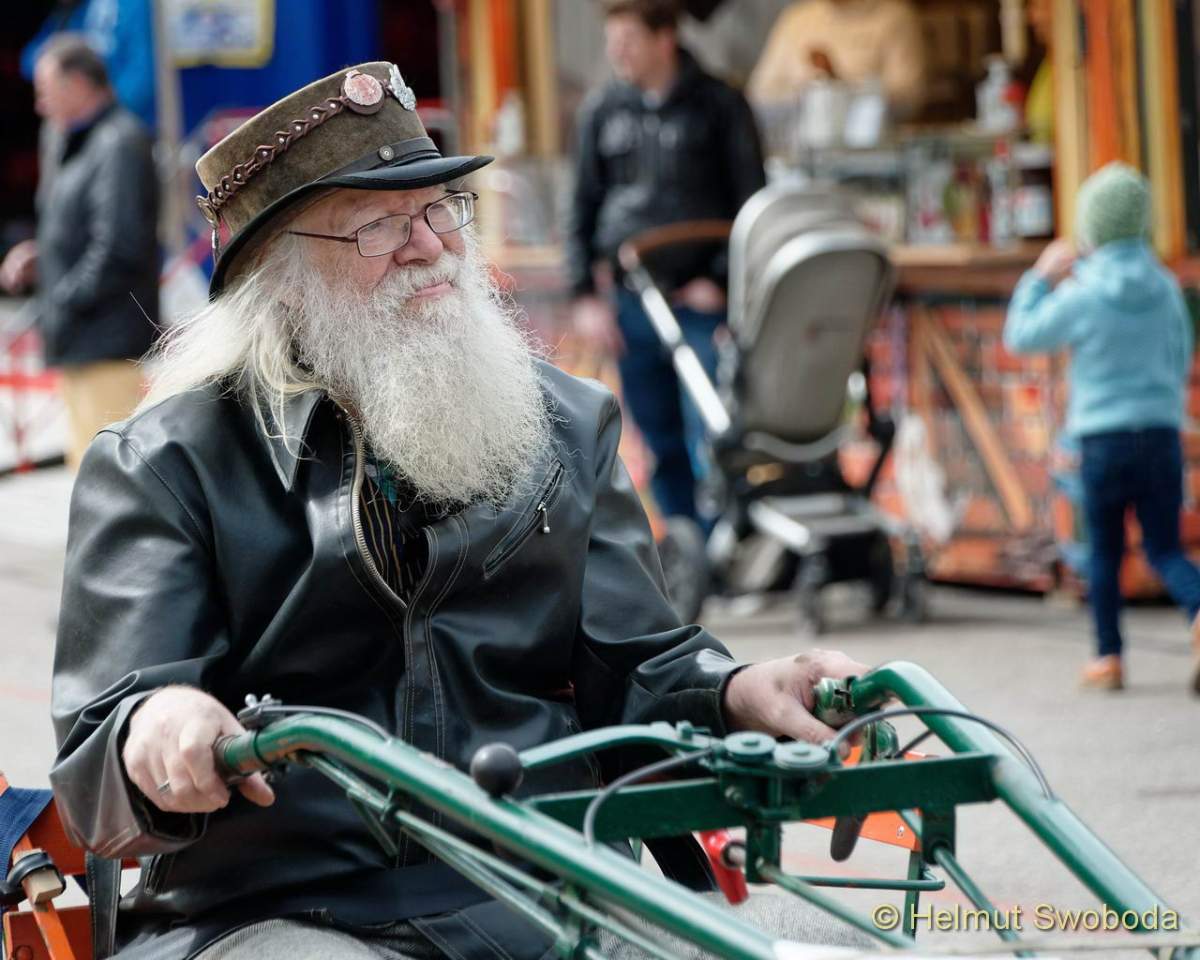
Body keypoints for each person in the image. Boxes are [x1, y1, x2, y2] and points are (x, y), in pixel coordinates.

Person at [50, 61, 873, 960]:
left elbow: (635, 666)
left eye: (441, 209)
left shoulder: (566, 424)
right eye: (376, 225)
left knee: (834, 945)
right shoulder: (164, 463)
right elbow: (100, 760)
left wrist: (736, 690)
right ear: (279, 277)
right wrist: (156, 728)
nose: (428, 245)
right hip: (283, 906)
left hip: (548, 886)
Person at [1004, 162, 1200, 695]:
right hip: (1159, 435)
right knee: (1164, 549)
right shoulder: (1165, 288)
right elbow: (1181, 354)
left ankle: (1108, 659)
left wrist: (1040, 277)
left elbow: (1021, 335)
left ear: (1090, 226)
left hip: (1102, 442)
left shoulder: (1083, 293)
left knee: (1105, 554)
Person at [568, 0, 766, 527]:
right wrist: (584, 294)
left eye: (628, 41)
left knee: (715, 430)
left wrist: (722, 280)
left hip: (700, 302)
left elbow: (752, 205)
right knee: (659, 439)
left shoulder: (721, 105)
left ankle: (727, 544)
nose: (617, 54)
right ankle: (685, 550)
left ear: (664, 39)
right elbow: (581, 207)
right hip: (633, 301)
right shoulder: (603, 111)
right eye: (612, 42)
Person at [0, 33, 158, 470]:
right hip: (82, 339)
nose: (39, 105)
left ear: (77, 84)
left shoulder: (118, 142)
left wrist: (63, 300)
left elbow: (119, 246)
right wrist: (42, 254)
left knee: (110, 477)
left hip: (106, 342)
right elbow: (79, 229)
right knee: (89, 471)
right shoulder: (69, 140)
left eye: (45, 91)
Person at [747, 0, 927, 118]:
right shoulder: (797, 18)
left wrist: (838, 85)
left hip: (873, 154)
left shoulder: (895, 16)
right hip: (801, 148)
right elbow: (759, 93)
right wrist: (810, 93)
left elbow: (909, 97)